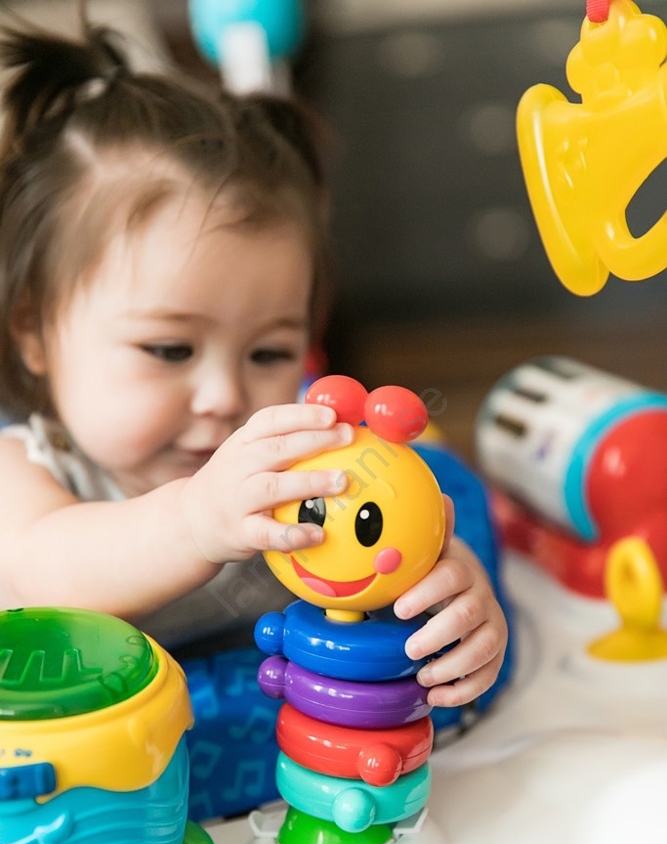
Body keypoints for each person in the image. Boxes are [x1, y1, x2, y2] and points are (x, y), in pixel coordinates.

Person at [0, 18, 507, 712]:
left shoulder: (300, 477)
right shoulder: (25, 470)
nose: (222, 395)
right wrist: (193, 523)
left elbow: (380, 565)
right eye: (169, 350)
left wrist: (447, 598)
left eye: (269, 352)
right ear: (34, 331)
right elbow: (42, 575)